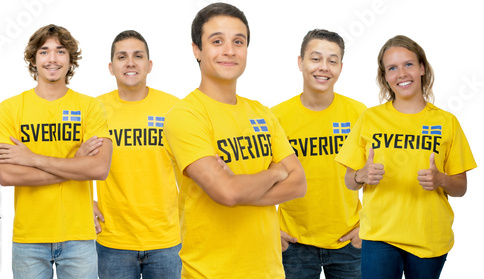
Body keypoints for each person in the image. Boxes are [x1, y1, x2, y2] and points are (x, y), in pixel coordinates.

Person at [163, 3, 307, 278]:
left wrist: (240, 189)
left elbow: (298, 183)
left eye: (238, 42)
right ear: (197, 50)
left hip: (269, 272)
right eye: (217, 41)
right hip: (210, 273)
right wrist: (275, 172)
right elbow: (226, 193)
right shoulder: (184, 116)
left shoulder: (261, 112)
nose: (229, 50)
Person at [335, 35, 477, 279]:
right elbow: (349, 181)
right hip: (380, 235)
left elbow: (461, 187)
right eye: (392, 68)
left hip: (429, 237)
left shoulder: (447, 122)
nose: (401, 73)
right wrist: (361, 174)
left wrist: (441, 180)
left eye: (408, 64)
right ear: (385, 77)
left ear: (422, 68)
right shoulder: (369, 119)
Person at [0, 24, 112, 279]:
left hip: (78, 236)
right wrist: (75, 165)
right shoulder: (10, 108)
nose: (52, 59)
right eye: (44, 52)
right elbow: (8, 176)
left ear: (70, 60)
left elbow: (99, 169)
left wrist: (32, 159)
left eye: (60, 51)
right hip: (29, 239)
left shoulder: (90, 107)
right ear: (33, 60)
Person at [271, 29, 365, 278]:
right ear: (300, 62)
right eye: (315, 58)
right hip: (293, 243)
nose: (324, 67)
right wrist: (270, 227)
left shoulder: (359, 114)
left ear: (341, 67)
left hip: (350, 241)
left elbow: (384, 175)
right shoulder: (275, 118)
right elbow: (260, 179)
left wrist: (369, 224)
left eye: (332, 61)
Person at [92, 30, 181, 279]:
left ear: (149, 65)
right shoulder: (94, 109)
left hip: (166, 239)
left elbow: (192, 168)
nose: (130, 62)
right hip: (113, 240)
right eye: (122, 57)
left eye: (138, 56)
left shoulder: (174, 108)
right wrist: (85, 201)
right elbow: (71, 160)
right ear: (111, 67)